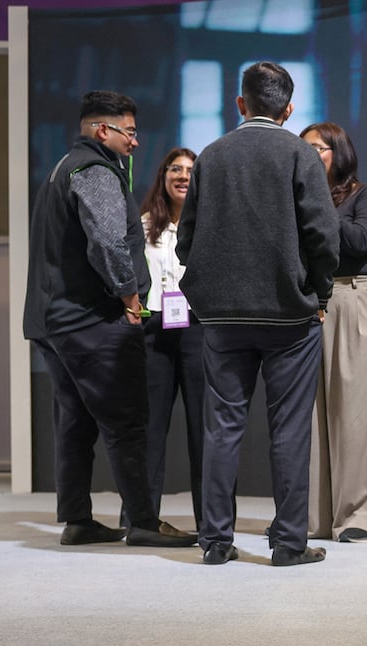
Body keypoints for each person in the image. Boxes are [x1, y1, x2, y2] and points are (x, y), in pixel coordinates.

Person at [176, 62, 340, 566]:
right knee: (289, 430)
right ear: (288, 109)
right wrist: (319, 295)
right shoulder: (299, 154)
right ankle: (289, 544)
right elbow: (323, 237)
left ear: (240, 103)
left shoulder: (211, 155)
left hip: (223, 318)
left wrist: (206, 292)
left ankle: (214, 541)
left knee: (221, 427)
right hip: (290, 317)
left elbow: (186, 240)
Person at [23, 90, 198, 549]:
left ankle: (78, 520)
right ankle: (143, 521)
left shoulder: (63, 166)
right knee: (126, 422)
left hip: (53, 321)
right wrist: (130, 297)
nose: (136, 142)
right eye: (130, 132)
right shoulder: (96, 170)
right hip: (88, 321)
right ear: (103, 130)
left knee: (75, 423)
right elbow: (106, 240)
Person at [300, 122, 367, 544]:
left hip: (358, 297)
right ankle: (317, 517)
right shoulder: (300, 200)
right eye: (303, 149)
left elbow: (359, 242)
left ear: (338, 153)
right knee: (312, 417)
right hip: (312, 304)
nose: (308, 156)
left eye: (317, 149)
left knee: (358, 415)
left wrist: (319, 203)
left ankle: (363, 514)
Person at [137, 148, 206, 529]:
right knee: (150, 427)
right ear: (163, 177)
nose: (182, 176)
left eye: (190, 171)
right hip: (154, 330)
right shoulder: (144, 225)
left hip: (197, 328)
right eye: (175, 169)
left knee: (204, 428)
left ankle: (212, 521)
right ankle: (141, 518)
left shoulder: (209, 224)